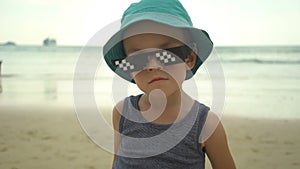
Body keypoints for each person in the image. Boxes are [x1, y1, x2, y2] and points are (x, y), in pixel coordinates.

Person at [103, 0, 236, 168]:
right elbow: (117, 163)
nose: (152, 66)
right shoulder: (123, 113)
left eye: (166, 54)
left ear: (189, 58)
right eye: (138, 59)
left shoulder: (205, 124)